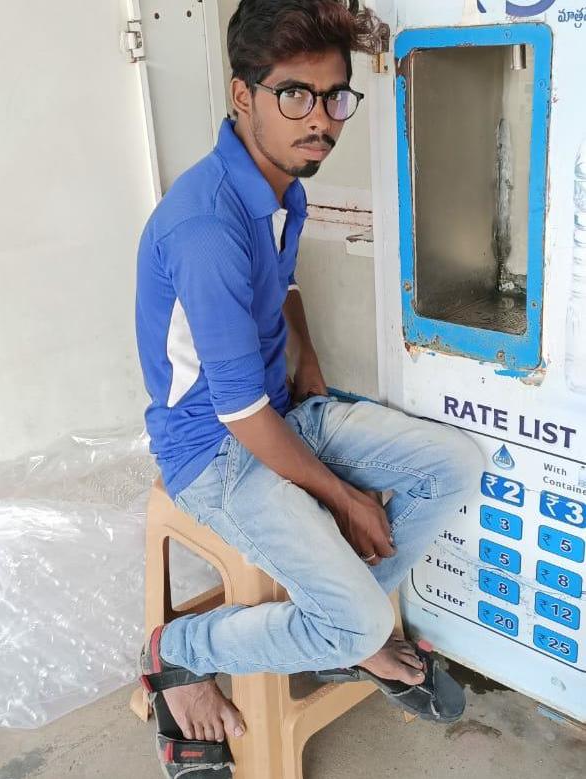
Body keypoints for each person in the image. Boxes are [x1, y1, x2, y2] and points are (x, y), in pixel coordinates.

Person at [135, 1, 483, 776]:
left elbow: (282, 286)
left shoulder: (279, 185)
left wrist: (312, 369)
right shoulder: (207, 226)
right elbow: (238, 413)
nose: (320, 119)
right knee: (359, 608)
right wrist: (343, 496)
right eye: (294, 94)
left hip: (280, 414)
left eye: (334, 96)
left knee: (454, 465)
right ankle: (179, 652)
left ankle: (345, 630)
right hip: (214, 451)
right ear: (243, 95)